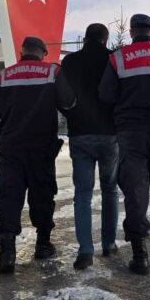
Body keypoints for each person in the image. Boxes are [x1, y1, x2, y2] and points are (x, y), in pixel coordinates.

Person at [0, 36, 76, 274]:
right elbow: (69, 103)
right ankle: (43, 245)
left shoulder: (5, 76)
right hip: (41, 150)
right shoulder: (51, 72)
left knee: (8, 197)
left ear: (22, 52)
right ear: (43, 53)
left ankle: (7, 252)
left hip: (11, 149)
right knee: (42, 196)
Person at [99, 14, 150, 275]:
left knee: (135, 190)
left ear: (133, 31)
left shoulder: (118, 58)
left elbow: (106, 95)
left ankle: (139, 255)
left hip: (131, 132)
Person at [60, 23, 119, 270]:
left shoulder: (70, 62)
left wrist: (71, 115)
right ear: (105, 40)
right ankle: (109, 244)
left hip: (80, 134)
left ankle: (85, 250)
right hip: (109, 134)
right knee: (110, 190)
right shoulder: (113, 60)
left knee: (82, 194)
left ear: (85, 38)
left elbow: (60, 95)